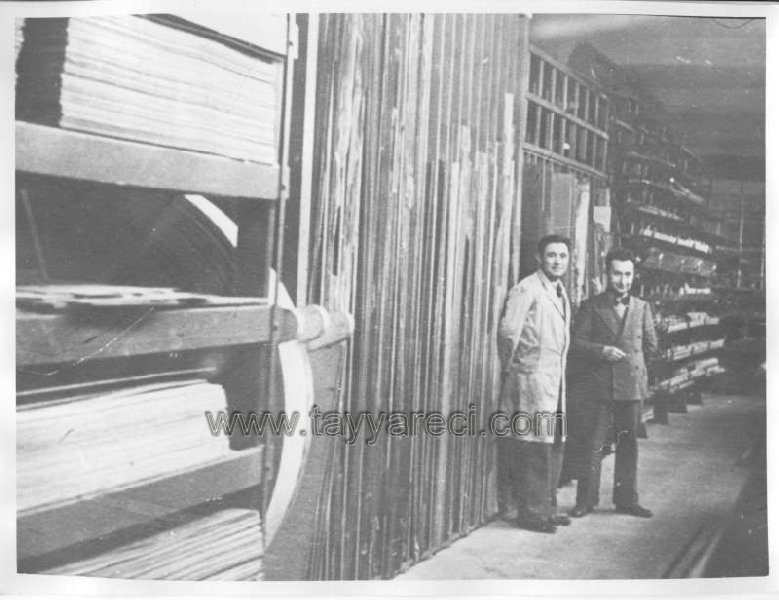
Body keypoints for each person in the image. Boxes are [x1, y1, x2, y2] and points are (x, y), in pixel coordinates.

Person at [567, 247, 659, 519]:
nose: (623, 280)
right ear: (607, 273)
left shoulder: (642, 307)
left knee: (628, 443)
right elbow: (576, 343)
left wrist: (636, 370)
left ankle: (626, 500)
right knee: (593, 444)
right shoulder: (592, 306)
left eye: (628, 274)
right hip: (600, 387)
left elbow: (651, 346)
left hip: (630, 387)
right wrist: (602, 351)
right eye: (617, 274)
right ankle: (586, 501)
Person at [497, 234, 571, 533]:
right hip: (532, 378)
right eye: (552, 255)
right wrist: (515, 367)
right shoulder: (527, 288)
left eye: (563, 256)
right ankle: (532, 513)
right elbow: (508, 333)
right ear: (540, 258)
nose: (557, 261)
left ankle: (547, 509)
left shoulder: (559, 291)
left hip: (554, 378)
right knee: (534, 447)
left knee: (553, 443)